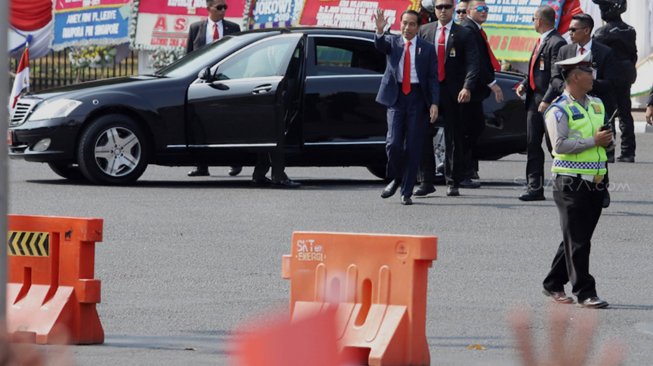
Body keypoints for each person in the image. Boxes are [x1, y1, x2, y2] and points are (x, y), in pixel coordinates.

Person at [541, 52, 613, 309]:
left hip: (595, 180)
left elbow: (602, 140)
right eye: (588, 72)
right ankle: (585, 291)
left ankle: (552, 282)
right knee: (579, 239)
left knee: (577, 237)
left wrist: (606, 142)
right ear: (575, 77)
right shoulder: (558, 110)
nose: (593, 76)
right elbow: (558, 145)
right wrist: (593, 141)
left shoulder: (597, 104)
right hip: (570, 182)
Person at [548, 13, 617, 208]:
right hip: (569, 104)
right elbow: (554, 78)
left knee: (600, 146)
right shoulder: (564, 50)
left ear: (586, 30)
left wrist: (586, 86)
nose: (569, 33)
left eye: (573, 29)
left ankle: (601, 188)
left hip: (595, 106)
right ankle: (567, 183)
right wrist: (570, 91)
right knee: (564, 144)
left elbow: (611, 82)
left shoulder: (604, 52)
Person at [374, 8, 439, 205]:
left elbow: (433, 78)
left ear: (418, 27)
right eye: (404, 23)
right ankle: (396, 177)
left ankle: (406, 191)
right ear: (399, 24)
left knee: (413, 146)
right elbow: (379, 45)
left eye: (412, 24)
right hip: (396, 98)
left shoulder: (427, 48)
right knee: (393, 143)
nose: (407, 28)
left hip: (418, 98)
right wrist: (379, 31)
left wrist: (434, 103)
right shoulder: (393, 43)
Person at [415, 0, 479, 197]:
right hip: (428, 92)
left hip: (453, 92)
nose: (443, 11)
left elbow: (472, 62)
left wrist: (467, 86)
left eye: (447, 7)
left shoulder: (464, 33)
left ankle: (453, 181)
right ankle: (426, 180)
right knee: (423, 134)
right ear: (434, 10)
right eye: (439, 7)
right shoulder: (424, 30)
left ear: (453, 8)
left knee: (454, 137)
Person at [515, 6, 566, 201]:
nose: (533, 22)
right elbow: (536, 70)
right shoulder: (541, 41)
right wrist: (524, 84)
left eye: (533, 18)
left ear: (540, 20)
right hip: (533, 101)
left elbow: (556, 76)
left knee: (555, 147)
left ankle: (566, 185)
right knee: (532, 144)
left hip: (549, 103)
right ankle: (534, 188)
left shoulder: (557, 42)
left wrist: (546, 100)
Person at [186, 0, 242, 177]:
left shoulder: (234, 28)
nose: (223, 10)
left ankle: (236, 162)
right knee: (200, 123)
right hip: (202, 82)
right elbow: (189, 56)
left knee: (230, 121)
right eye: (219, 7)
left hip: (227, 81)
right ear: (208, 9)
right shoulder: (196, 28)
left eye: (225, 7)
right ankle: (201, 166)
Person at [460, 0, 504, 190]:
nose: (484, 12)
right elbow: (475, 62)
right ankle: (463, 171)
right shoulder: (468, 29)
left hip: (475, 90)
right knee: (468, 131)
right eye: (480, 9)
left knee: (474, 128)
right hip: (468, 89)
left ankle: (469, 168)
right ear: (469, 11)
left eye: (486, 9)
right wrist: (493, 84)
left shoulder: (475, 28)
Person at [592, 0, 637, 162]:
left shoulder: (602, 33)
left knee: (607, 114)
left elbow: (596, 57)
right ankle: (628, 152)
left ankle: (608, 151)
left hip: (609, 79)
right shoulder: (630, 30)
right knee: (625, 114)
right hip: (626, 76)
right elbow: (633, 54)